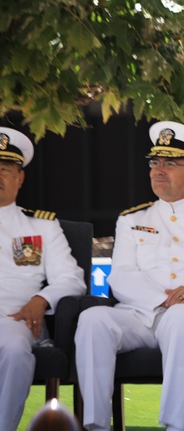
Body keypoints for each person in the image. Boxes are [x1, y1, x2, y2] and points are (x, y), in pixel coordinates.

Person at [75, 121, 184, 431]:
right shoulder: (132, 220)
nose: (158, 170)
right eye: (155, 162)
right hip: (141, 314)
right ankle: (94, 425)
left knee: (182, 317)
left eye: (170, 164)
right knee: (93, 319)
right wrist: (166, 300)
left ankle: (174, 426)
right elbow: (121, 276)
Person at [0, 128, 86, 431]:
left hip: (16, 319)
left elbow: (72, 279)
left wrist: (42, 299)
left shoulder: (41, 226)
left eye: (5, 170)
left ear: (19, 178)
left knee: (12, 347)